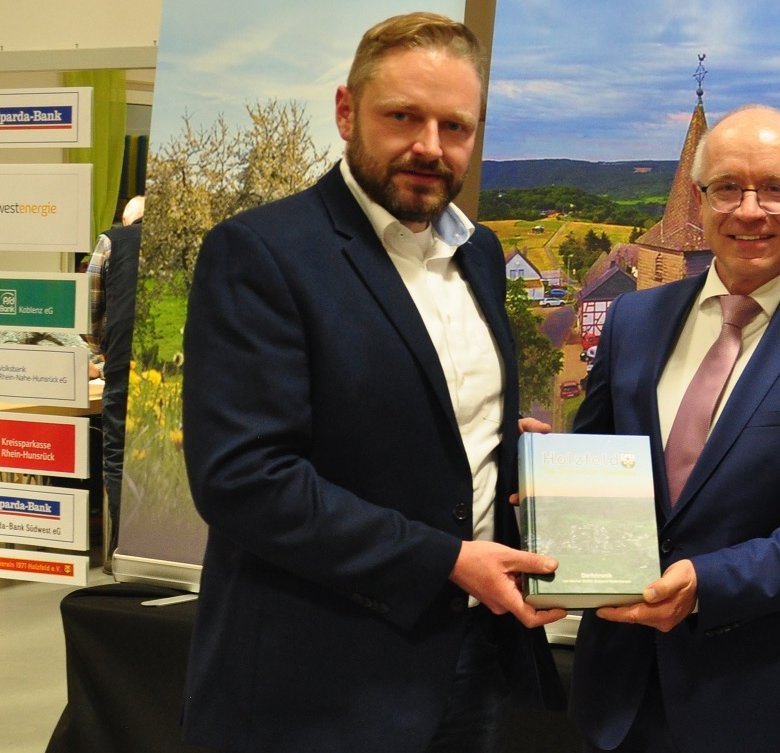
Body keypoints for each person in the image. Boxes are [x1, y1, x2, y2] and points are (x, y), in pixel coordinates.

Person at [181, 13, 565, 753]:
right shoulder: (262, 253)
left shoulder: (480, 253)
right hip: (319, 682)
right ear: (346, 112)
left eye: (455, 126)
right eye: (403, 117)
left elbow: (407, 407)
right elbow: (244, 480)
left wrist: (496, 440)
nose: (430, 146)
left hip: (467, 662)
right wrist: (445, 561)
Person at [569, 104, 780, 753]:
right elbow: (597, 462)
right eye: (727, 187)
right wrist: (548, 480)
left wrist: (707, 582)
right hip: (620, 701)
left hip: (767, 709)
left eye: (774, 189)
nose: (748, 210)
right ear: (700, 202)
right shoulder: (634, 322)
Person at [84, 194, 143, 564]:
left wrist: (100, 349)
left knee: (118, 459)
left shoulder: (111, 241)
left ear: (126, 220)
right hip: (172, 368)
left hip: (120, 361)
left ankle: (125, 552)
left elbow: (92, 309)